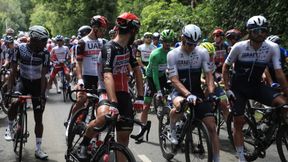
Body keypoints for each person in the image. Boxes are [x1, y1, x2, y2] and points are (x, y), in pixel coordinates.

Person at [222, 15, 288, 162]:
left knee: (283, 104)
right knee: (238, 121)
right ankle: (240, 156)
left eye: (263, 30)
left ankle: (273, 129)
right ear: (249, 32)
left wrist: (286, 91)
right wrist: (227, 89)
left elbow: (279, 73)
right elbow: (226, 68)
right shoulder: (239, 47)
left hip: (256, 86)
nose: (260, 34)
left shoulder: (272, 47)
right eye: (256, 31)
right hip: (238, 88)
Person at [167, 24, 221, 162]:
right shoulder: (173, 54)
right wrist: (187, 94)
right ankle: (172, 127)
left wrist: (211, 92)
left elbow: (208, 75)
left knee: (211, 125)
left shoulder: (201, 52)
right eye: (188, 43)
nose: (191, 47)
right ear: (182, 38)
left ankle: (216, 159)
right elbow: (174, 80)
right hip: (179, 91)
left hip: (197, 92)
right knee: (180, 105)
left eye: (194, 44)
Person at [100, 12, 144, 161]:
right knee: (102, 117)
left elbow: (137, 70)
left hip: (123, 92)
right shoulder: (109, 47)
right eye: (136, 32)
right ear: (133, 31)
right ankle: (85, 143)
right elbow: (107, 75)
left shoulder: (128, 49)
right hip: (106, 91)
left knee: (123, 138)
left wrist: (140, 97)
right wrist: (113, 102)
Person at [5, 25, 50, 159]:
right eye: (43, 41)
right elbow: (13, 71)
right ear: (34, 39)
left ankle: (38, 148)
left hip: (37, 84)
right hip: (23, 82)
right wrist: (9, 91)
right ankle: (10, 126)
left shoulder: (45, 53)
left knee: (38, 117)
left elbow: (43, 76)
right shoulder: (20, 49)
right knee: (14, 103)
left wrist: (42, 95)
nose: (45, 44)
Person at [131, 29, 175, 142]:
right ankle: (141, 130)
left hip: (162, 76)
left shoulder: (172, 52)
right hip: (151, 77)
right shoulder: (155, 54)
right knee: (146, 106)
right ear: (162, 41)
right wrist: (159, 90)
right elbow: (154, 75)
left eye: (170, 42)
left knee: (172, 99)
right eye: (165, 41)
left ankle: (170, 123)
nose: (168, 44)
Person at [71, 15, 108, 115]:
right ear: (95, 28)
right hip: (87, 76)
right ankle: (71, 122)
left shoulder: (103, 42)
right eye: (102, 30)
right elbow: (78, 62)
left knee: (101, 104)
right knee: (81, 100)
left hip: (100, 78)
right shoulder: (82, 42)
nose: (103, 32)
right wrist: (80, 79)